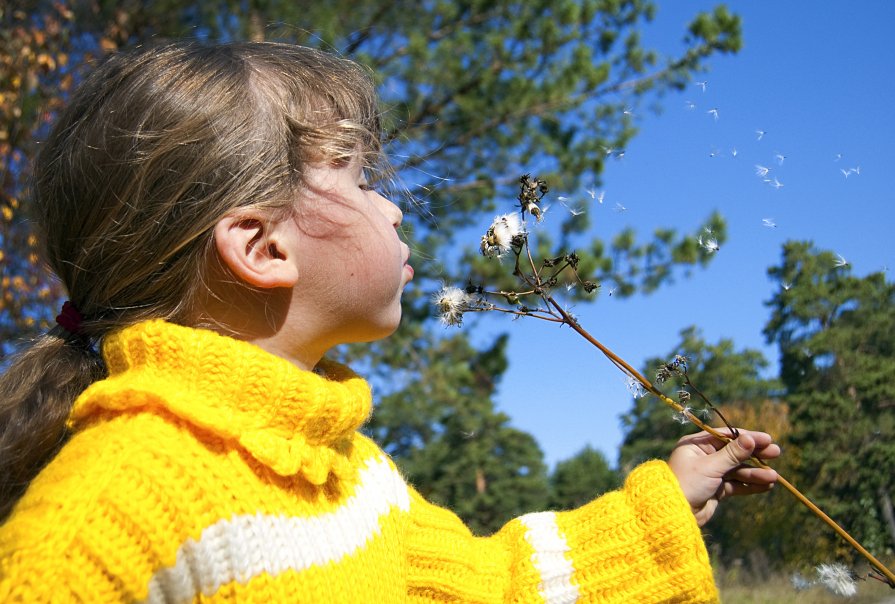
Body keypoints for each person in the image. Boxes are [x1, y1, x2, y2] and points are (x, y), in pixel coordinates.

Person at [0, 42, 779, 603]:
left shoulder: (357, 476)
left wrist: (664, 508)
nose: (393, 205)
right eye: (360, 178)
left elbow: (489, 584)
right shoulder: (113, 504)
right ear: (262, 247)